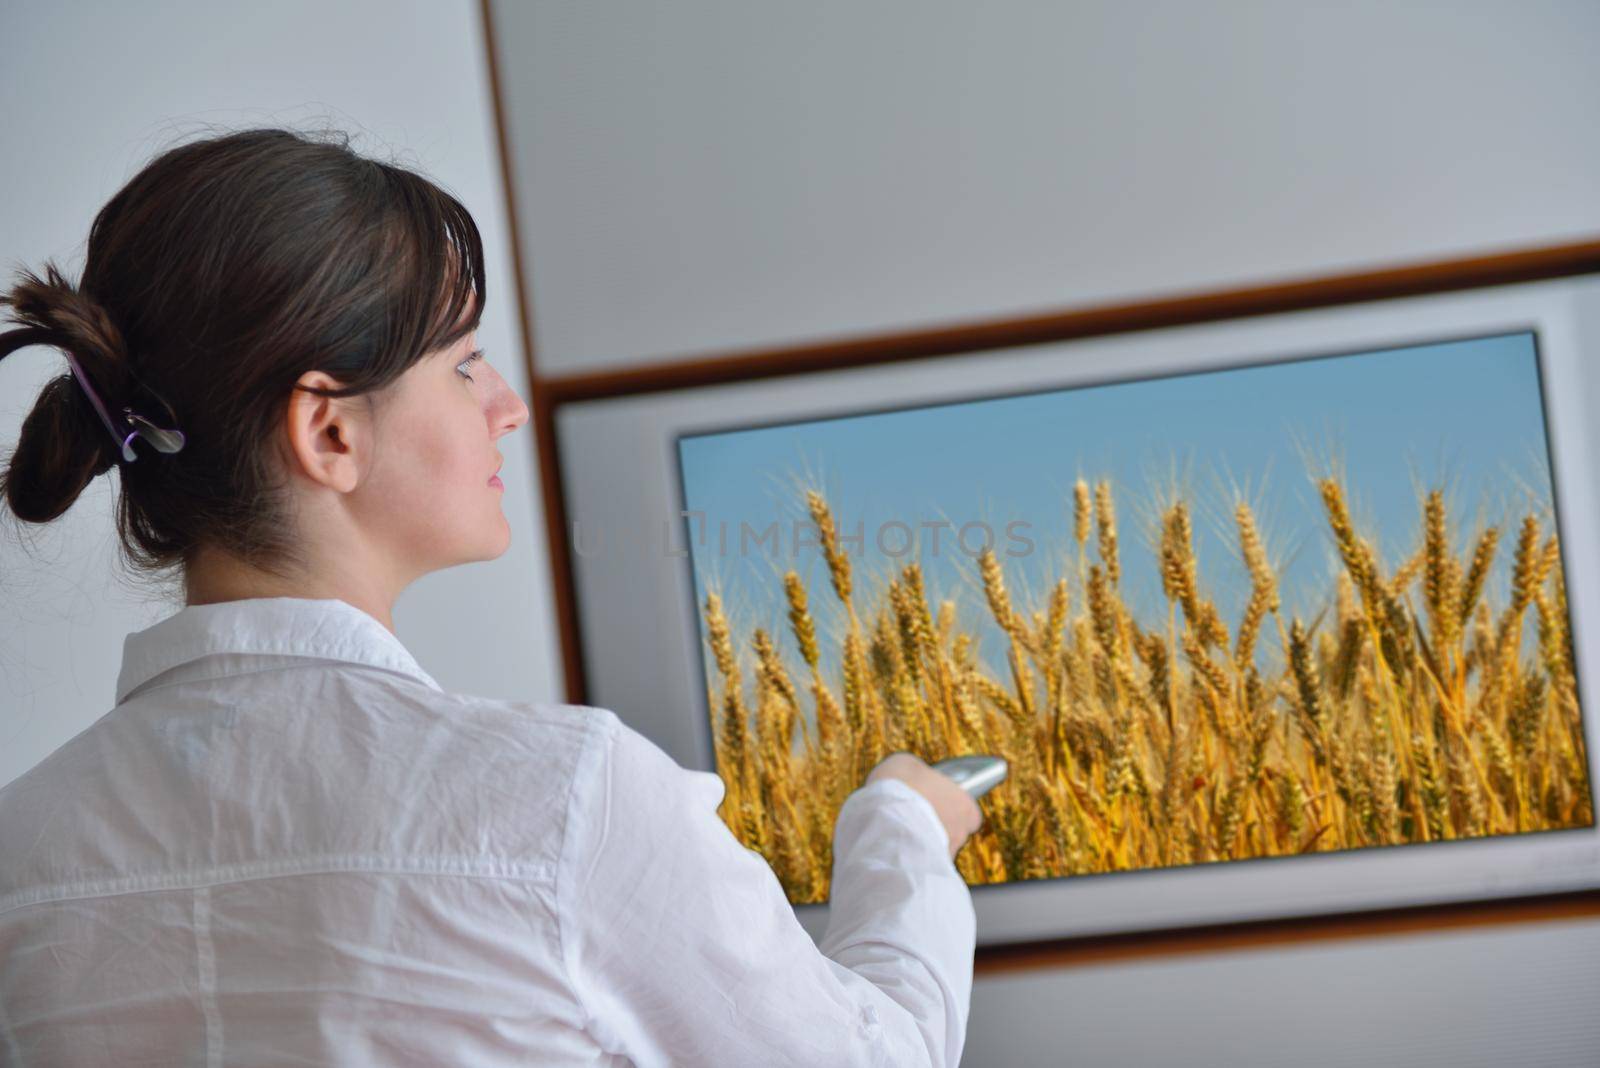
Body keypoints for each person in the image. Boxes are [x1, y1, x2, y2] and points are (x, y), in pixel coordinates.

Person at [0, 127, 984, 1066]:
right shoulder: (564, 805)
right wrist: (898, 833)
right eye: (464, 362)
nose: (506, 405)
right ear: (329, 434)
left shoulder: (21, 854)